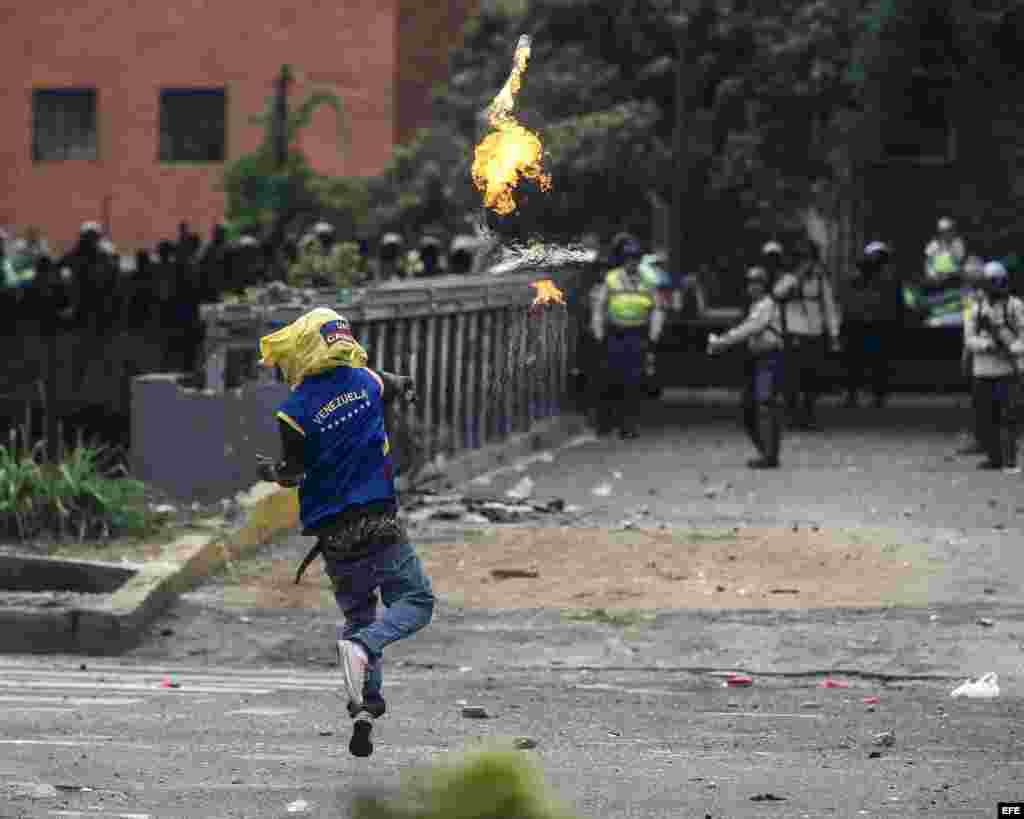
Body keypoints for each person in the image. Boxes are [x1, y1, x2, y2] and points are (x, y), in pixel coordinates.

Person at [256, 308, 434, 757]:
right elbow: (400, 384)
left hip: (334, 535)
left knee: (360, 614)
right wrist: (406, 396)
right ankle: (362, 647)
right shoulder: (369, 382)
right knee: (415, 602)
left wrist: (273, 474)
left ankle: (364, 709)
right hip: (378, 520)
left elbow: (293, 473)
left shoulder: (291, 413)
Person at [707, 266, 785, 468]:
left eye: (757, 283)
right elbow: (744, 328)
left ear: (764, 285)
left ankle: (769, 456)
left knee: (765, 404)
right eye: (750, 283)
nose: (752, 287)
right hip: (757, 359)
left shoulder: (766, 305)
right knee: (749, 407)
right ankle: (766, 452)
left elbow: (750, 329)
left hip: (769, 358)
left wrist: (722, 342)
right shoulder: (755, 306)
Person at [589, 237, 666, 437]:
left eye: (635, 258)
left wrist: (654, 335)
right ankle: (605, 423)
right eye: (628, 258)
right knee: (611, 378)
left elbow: (658, 308)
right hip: (615, 334)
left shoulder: (648, 281)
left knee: (634, 381)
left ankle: (628, 425)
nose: (632, 262)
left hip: (638, 335)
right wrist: (598, 333)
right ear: (623, 260)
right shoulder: (611, 278)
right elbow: (599, 307)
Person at [773, 237, 841, 430]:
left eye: (810, 258)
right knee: (793, 378)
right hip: (794, 331)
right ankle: (793, 416)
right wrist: (797, 277)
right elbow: (777, 294)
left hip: (815, 332)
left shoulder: (820, 279)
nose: (808, 262)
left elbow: (828, 307)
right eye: (804, 258)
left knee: (812, 378)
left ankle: (808, 415)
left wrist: (834, 333)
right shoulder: (789, 277)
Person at [964, 261, 1024, 473]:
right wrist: (988, 345)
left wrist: (1013, 348)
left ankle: (1009, 459)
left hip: (1008, 371)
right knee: (985, 418)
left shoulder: (1014, 306)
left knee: (1009, 417)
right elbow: (969, 339)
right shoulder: (976, 308)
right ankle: (994, 457)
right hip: (983, 371)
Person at [842, 241, 899, 408]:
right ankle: (852, 393)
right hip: (858, 323)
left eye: (880, 256)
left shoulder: (888, 275)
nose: (877, 259)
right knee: (854, 360)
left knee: (878, 361)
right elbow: (849, 296)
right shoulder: (857, 274)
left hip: (879, 323)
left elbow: (893, 300)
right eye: (875, 256)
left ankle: (878, 394)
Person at [957, 256, 988, 456]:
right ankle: (981, 438)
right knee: (979, 398)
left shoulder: (986, 297)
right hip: (975, 350)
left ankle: (985, 439)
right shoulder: (968, 295)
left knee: (985, 399)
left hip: (987, 353)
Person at [925, 217, 966, 282]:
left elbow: (960, 261)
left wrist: (948, 274)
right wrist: (932, 274)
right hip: (936, 278)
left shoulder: (958, 243)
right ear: (941, 232)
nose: (952, 232)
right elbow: (928, 262)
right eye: (948, 230)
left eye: (952, 230)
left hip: (954, 278)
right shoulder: (934, 244)